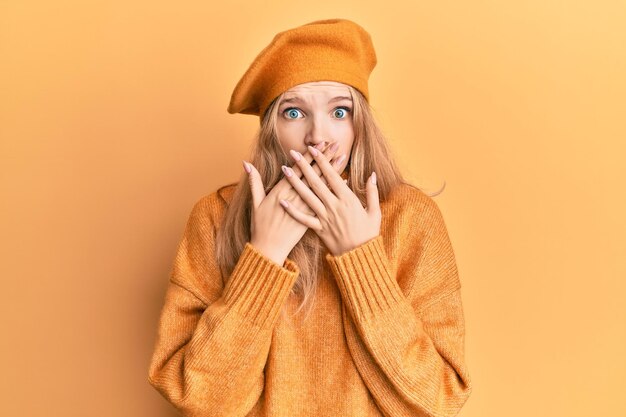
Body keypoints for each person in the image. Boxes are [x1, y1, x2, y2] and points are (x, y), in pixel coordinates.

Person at [147, 18, 472, 417]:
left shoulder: (411, 218)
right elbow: (202, 400)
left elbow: (437, 400)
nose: (320, 136)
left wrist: (361, 258)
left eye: (339, 111)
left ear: (360, 124)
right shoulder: (214, 217)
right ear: (271, 130)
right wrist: (264, 257)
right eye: (294, 113)